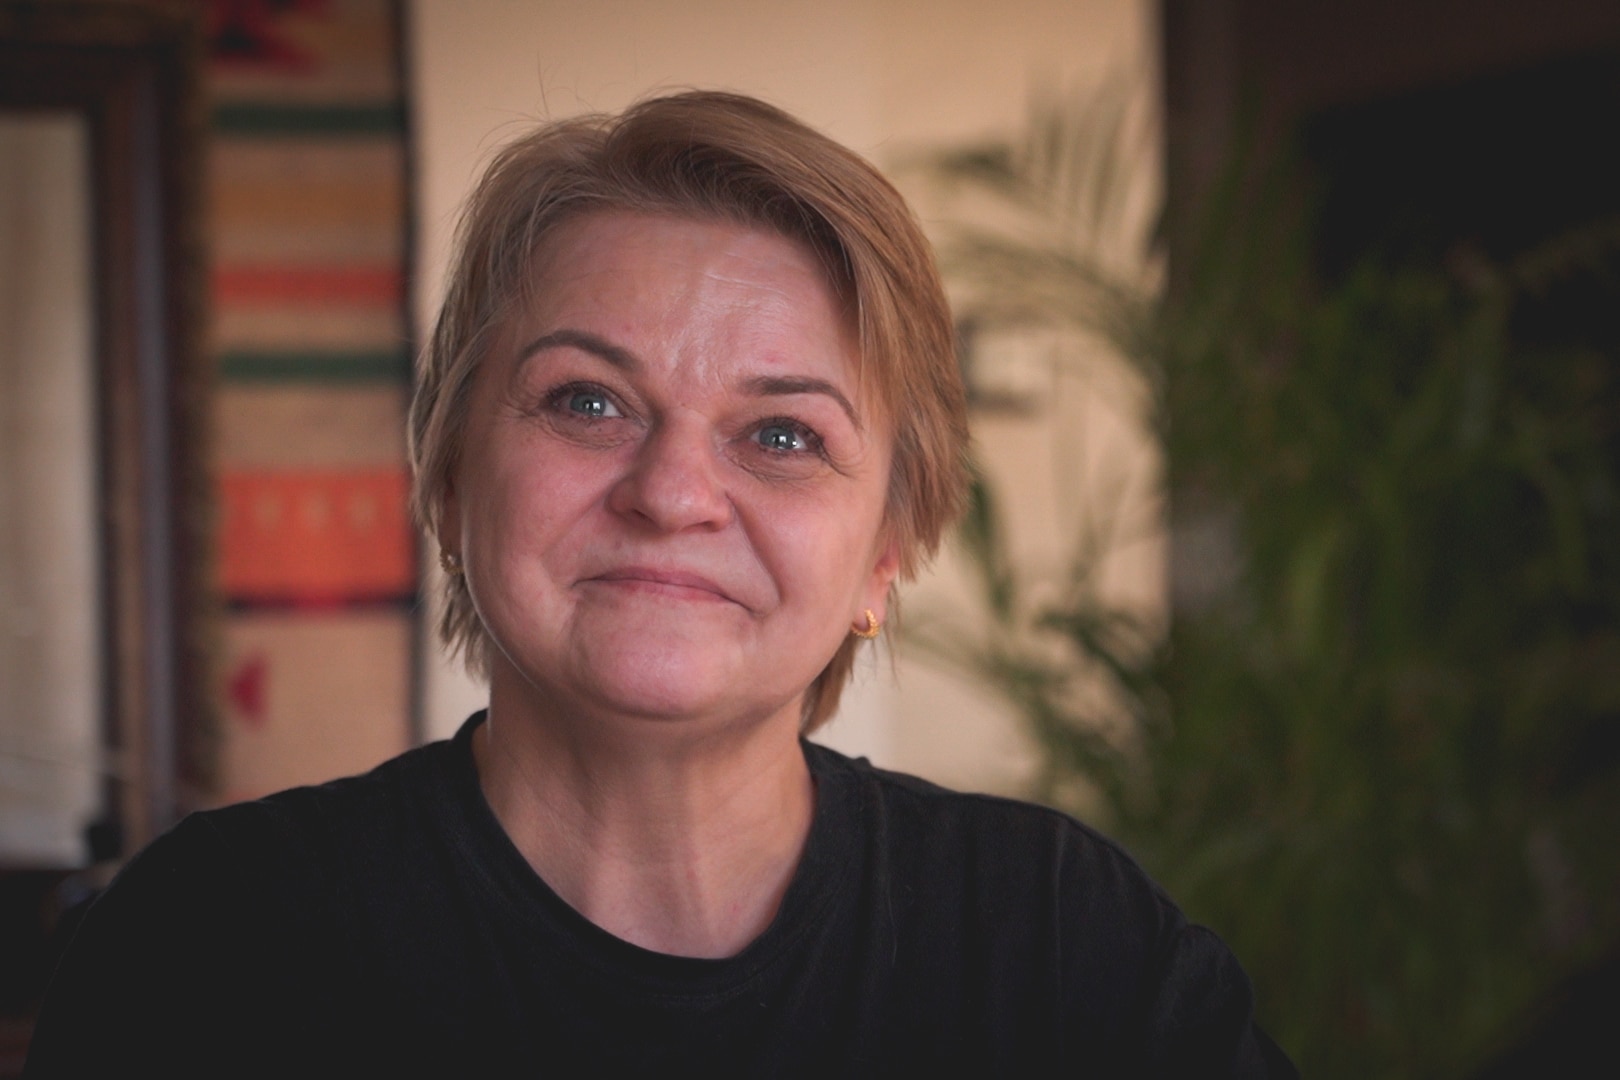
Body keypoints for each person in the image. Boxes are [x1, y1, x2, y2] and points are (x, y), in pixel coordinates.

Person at [25, 90, 1295, 1077]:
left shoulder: (1062, 942)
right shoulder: (211, 942)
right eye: (588, 402)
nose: (673, 493)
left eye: (783, 434)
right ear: (450, 478)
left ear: (887, 551)